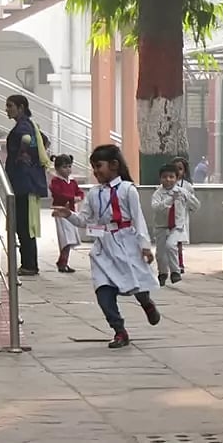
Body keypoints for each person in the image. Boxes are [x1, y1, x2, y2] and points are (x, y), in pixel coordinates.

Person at [54, 144, 161, 348]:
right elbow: (85, 220)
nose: (95, 172)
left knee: (135, 280)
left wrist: (144, 245)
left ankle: (146, 303)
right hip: (104, 244)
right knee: (103, 290)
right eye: (93, 167)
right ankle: (119, 330)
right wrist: (69, 215)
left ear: (114, 165)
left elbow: (138, 218)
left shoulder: (128, 190)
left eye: (99, 166)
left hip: (127, 241)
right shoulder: (94, 194)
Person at [5, 94, 49, 276]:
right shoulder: (28, 125)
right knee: (24, 224)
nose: (6, 109)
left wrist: (21, 157)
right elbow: (43, 141)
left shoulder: (24, 127)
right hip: (25, 182)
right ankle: (29, 263)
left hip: (25, 183)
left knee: (24, 224)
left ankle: (29, 264)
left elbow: (30, 144)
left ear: (21, 107)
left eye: (10, 106)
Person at [151, 163, 198, 285]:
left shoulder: (182, 192)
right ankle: (162, 273)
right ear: (160, 179)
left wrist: (187, 203)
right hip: (161, 226)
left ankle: (175, 272)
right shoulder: (158, 193)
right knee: (160, 254)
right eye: (165, 177)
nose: (168, 180)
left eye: (171, 177)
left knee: (171, 246)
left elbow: (195, 204)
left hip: (176, 227)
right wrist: (169, 199)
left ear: (177, 178)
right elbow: (155, 208)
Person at [49, 154, 83, 273]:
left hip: (71, 212)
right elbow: (58, 194)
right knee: (65, 239)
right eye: (64, 167)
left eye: (69, 166)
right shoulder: (56, 181)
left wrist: (79, 196)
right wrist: (73, 198)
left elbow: (79, 191)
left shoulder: (72, 181)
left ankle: (63, 261)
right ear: (57, 168)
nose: (68, 169)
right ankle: (62, 262)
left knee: (70, 238)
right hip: (60, 211)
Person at [170, 155, 198, 274]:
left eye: (180, 169)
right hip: (168, 217)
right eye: (175, 169)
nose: (177, 171)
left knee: (178, 242)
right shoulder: (166, 184)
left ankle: (180, 263)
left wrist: (185, 197)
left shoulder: (187, 186)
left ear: (185, 171)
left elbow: (194, 203)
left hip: (181, 217)